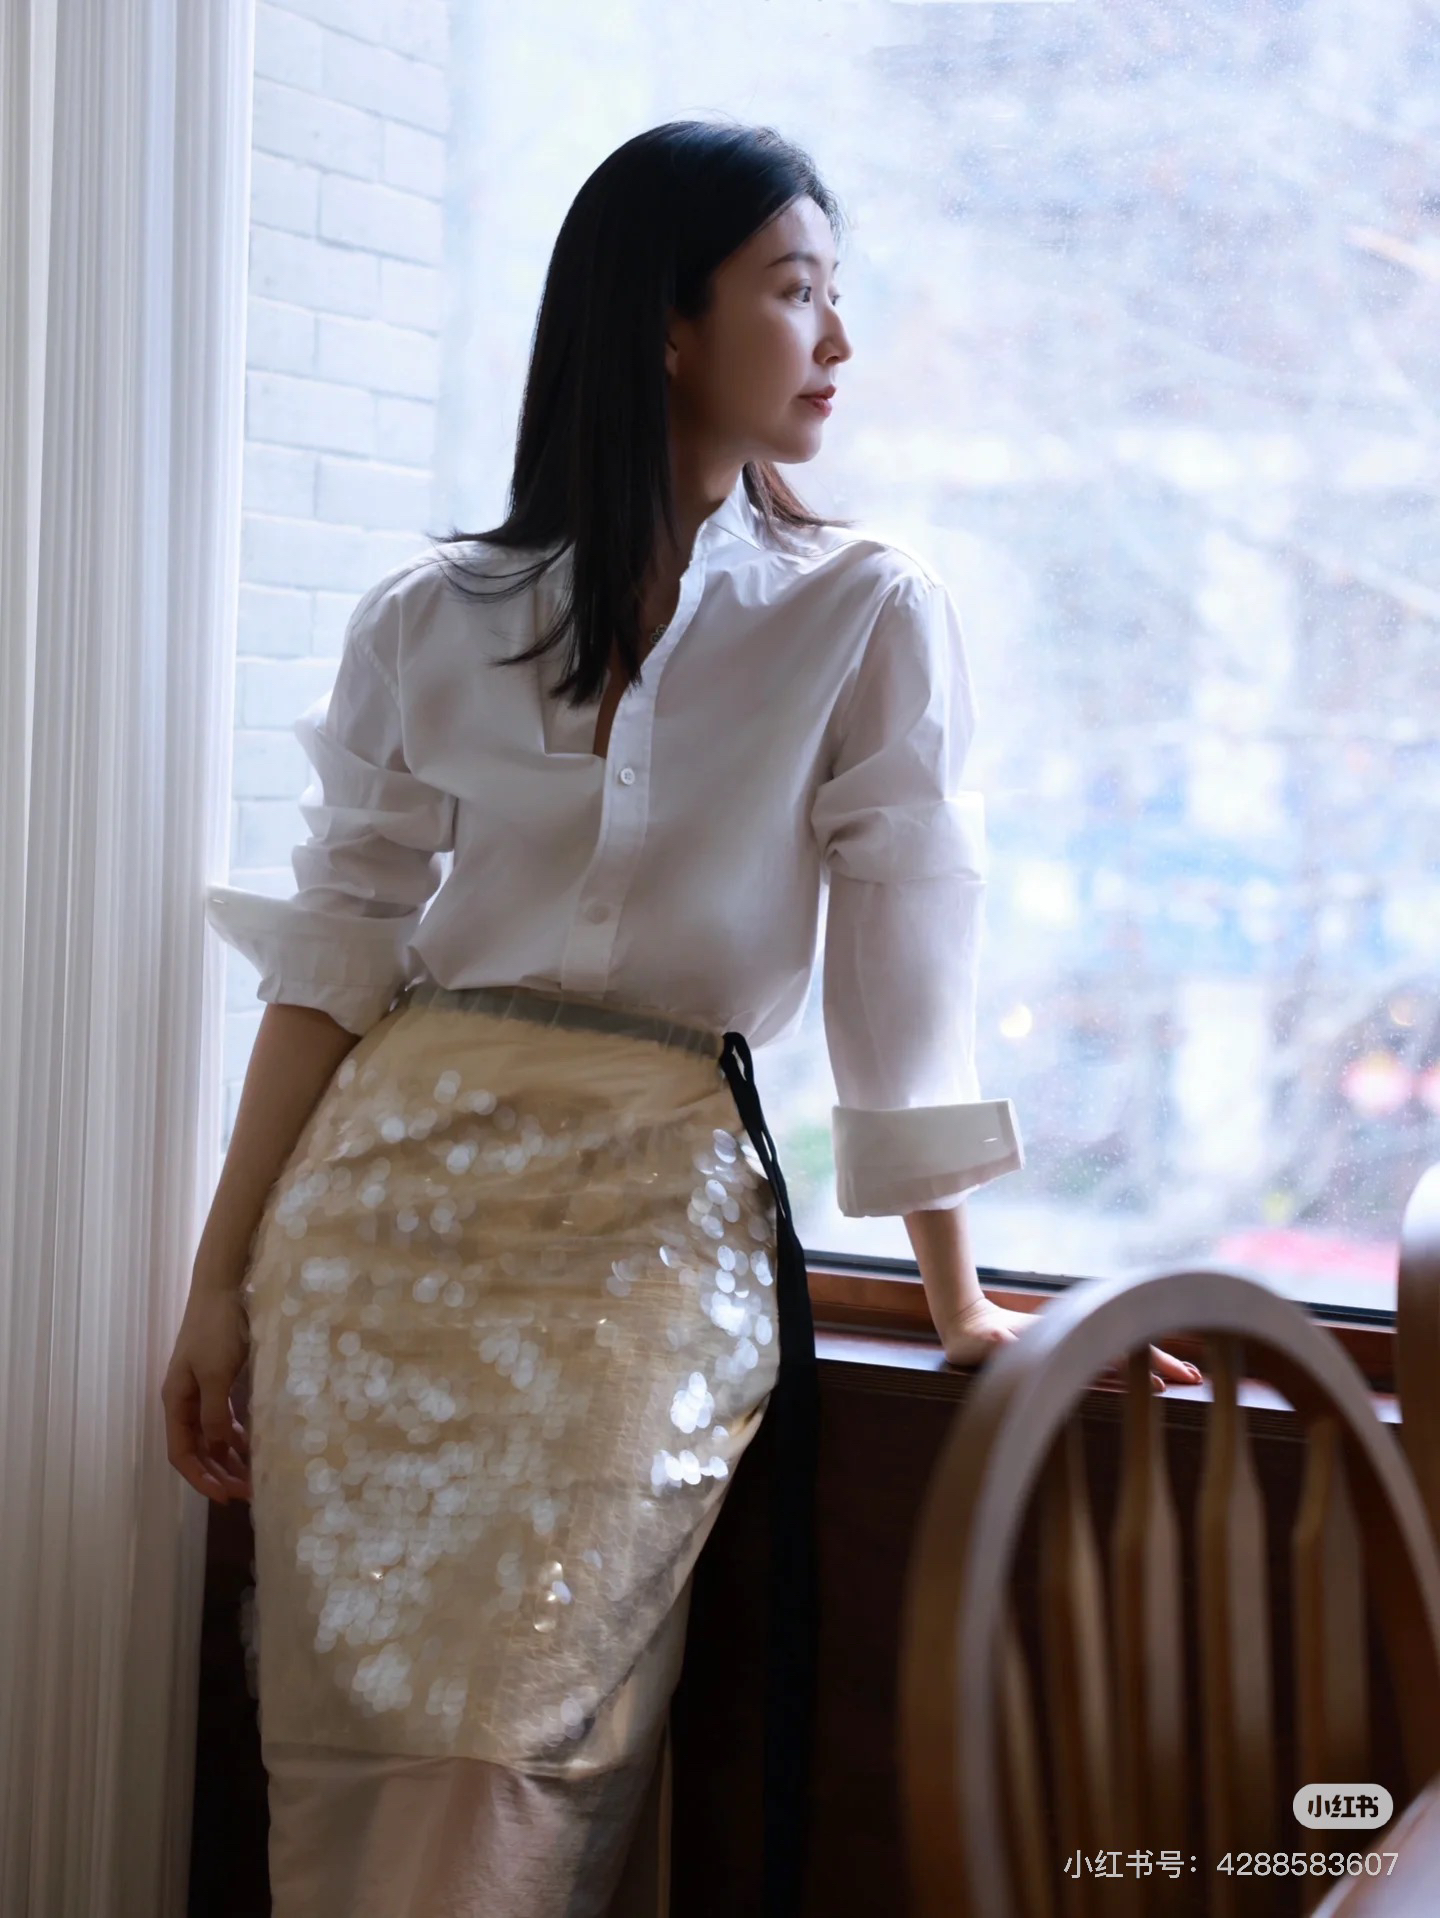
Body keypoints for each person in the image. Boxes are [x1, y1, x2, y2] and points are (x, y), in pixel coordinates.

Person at [161, 118, 1200, 1918]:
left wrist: (957, 1297)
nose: (839, 340)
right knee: (354, 1737)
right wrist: (218, 1276)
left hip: (647, 1233)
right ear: (666, 321)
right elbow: (334, 958)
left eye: (835, 293)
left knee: (517, 1737)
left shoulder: (865, 611)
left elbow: (903, 970)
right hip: (377, 1240)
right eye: (796, 291)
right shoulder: (431, 616)